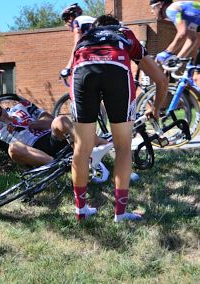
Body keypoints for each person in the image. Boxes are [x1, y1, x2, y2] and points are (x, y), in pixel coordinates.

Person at [69, 14, 168, 222]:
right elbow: (160, 79)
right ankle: (120, 213)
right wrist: (156, 108)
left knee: (82, 147)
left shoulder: (85, 38)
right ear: (116, 26)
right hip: (117, 70)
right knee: (123, 147)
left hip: (82, 71)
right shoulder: (124, 33)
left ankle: (81, 210)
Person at [0, 90, 108, 180]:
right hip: (36, 154)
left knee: (61, 120)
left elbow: (49, 119)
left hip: (51, 139)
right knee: (13, 148)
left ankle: (99, 148)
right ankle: (58, 167)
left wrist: (33, 123)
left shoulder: (21, 107)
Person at [150, 1, 200, 68]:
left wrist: (167, 52)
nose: (151, 11)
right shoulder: (187, 15)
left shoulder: (171, 9)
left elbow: (182, 33)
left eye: (152, 8)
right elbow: (192, 39)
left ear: (160, 4)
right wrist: (177, 59)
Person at [60, 3, 96, 78]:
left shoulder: (77, 21)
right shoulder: (93, 19)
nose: (65, 25)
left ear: (70, 18)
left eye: (66, 21)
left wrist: (68, 67)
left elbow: (77, 45)